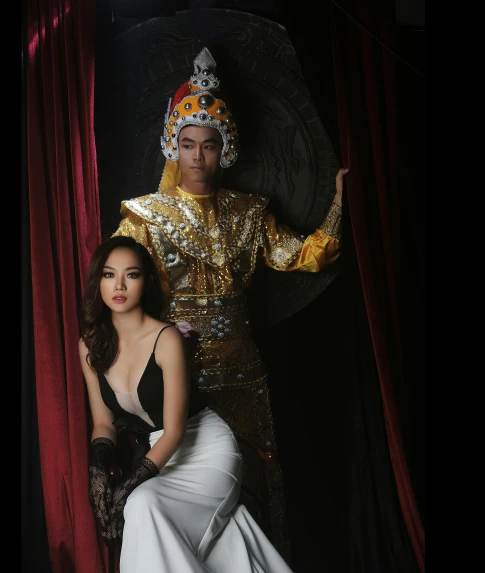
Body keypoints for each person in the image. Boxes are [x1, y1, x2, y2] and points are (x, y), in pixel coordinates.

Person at [111, 47, 347, 553]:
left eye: (210, 145)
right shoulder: (145, 218)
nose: (198, 156)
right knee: (176, 499)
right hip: (176, 373)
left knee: (252, 486)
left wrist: (339, 205)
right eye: (189, 144)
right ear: (173, 147)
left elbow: (296, 255)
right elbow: (117, 291)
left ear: (226, 150)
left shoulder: (249, 211)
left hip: (244, 370)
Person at [80, 235, 294, 573]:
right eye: (109, 274)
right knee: (143, 506)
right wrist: (97, 471)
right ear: (98, 282)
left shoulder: (167, 339)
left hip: (205, 450)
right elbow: (103, 422)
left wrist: (128, 486)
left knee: (142, 503)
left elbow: (175, 431)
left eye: (131, 275)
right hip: (161, 455)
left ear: (146, 282)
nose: (119, 285)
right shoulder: (90, 346)